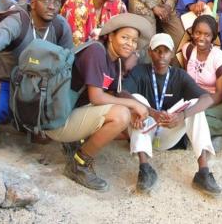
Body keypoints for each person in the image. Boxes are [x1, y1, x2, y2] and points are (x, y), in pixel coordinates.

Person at [48, 13, 153, 191]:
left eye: (134, 40)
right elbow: (96, 97)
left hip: (69, 114)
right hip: (57, 121)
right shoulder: (96, 51)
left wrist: (141, 108)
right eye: (125, 37)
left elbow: (115, 93)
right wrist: (134, 105)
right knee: (120, 115)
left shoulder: (116, 62)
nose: (130, 43)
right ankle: (79, 165)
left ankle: (74, 144)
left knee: (125, 109)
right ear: (111, 36)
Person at [121, 33, 222, 195]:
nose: (162, 55)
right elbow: (122, 93)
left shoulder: (179, 75)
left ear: (172, 52)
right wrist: (150, 112)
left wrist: (182, 116)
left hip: (169, 131)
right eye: (157, 50)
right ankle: (145, 169)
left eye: (166, 51)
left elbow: (207, 99)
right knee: (137, 100)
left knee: (196, 106)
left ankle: (203, 172)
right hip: (147, 131)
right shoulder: (140, 71)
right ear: (149, 52)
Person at [0, 0, 73, 132]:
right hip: (7, 81)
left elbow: (68, 61)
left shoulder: (60, 25)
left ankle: (35, 126)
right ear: (33, 3)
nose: (52, 6)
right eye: (46, 1)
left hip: (40, 83)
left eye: (57, 2)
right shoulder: (18, 20)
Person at [180, 16, 222, 152]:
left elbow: (219, 94)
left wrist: (197, 107)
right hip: (196, 99)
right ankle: (220, 136)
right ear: (192, 33)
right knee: (185, 118)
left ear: (213, 36)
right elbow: (187, 81)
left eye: (207, 34)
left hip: (220, 102)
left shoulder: (219, 57)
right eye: (198, 33)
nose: (201, 38)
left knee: (198, 119)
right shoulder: (188, 50)